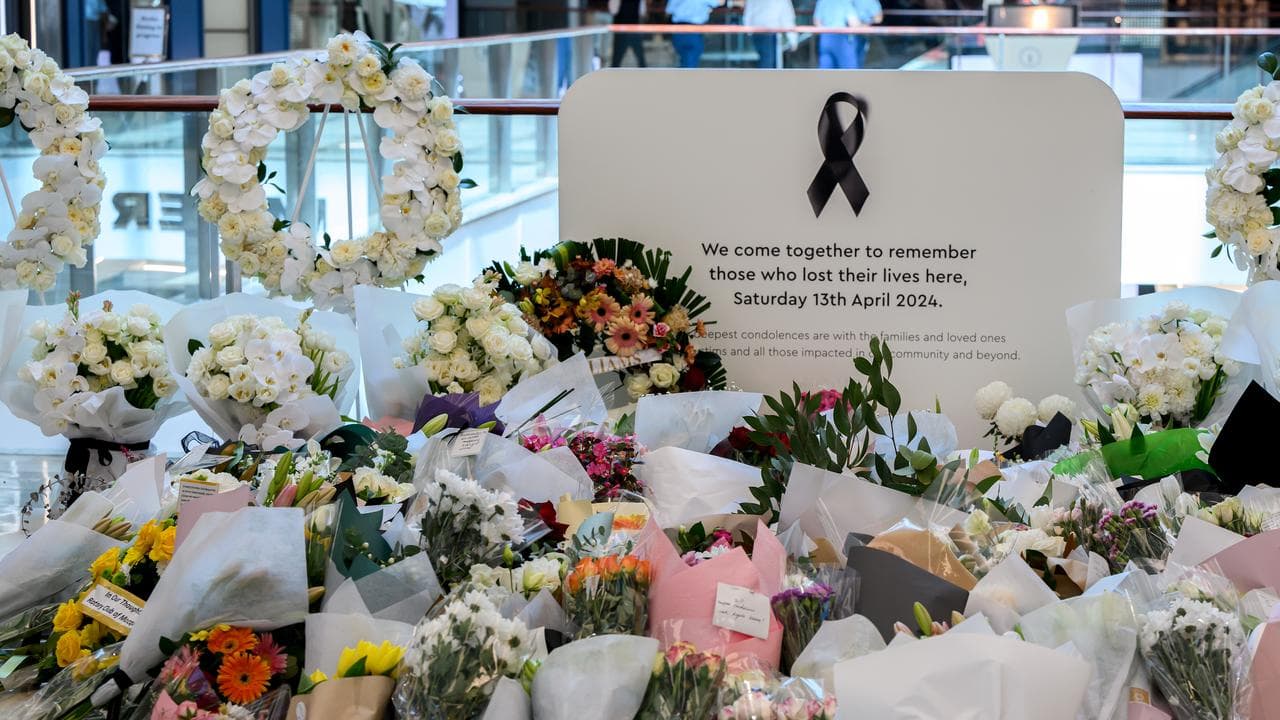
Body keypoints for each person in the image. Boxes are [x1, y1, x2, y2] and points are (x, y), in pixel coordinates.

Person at [813, 0, 882, 69]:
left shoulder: (822, 1)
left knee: (825, 73)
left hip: (825, 38)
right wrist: (865, 26)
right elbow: (853, 23)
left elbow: (817, 21)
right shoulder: (845, 1)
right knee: (850, 73)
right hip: (842, 38)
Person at [666, 0, 726, 68]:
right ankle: (687, 78)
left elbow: (669, 11)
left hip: (678, 31)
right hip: (693, 32)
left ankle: (683, 77)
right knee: (690, 63)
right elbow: (721, 2)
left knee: (684, 60)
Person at [742, 0, 796, 68]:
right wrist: (793, 39)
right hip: (769, 33)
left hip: (758, 32)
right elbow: (787, 18)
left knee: (767, 63)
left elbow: (747, 14)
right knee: (768, 64)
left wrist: (748, 32)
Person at [610, 0, 648, 67]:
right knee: (641, 61)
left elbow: (613, 11)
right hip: (631, 30)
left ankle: (613, 76)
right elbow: (642, 12)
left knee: (616, 61)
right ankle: (645, 76)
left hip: (623, 31)